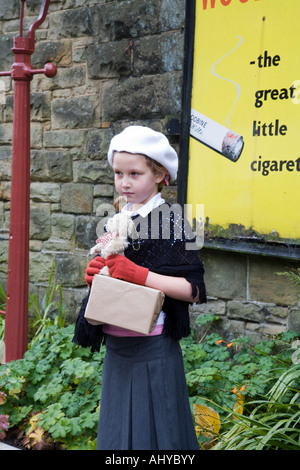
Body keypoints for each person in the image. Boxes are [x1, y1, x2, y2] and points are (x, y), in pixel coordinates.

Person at [74, 125, 206, 450]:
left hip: (154, 349)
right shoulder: (116, 219)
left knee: (159, 439)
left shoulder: (173, 222)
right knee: (119, 438)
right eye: (118, 173)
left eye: (135, 173)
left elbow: (194, 290)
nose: (124, 182)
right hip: (117, 351)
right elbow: (112, 276)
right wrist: (96, 274)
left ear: (160, 173)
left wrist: (138, 274)